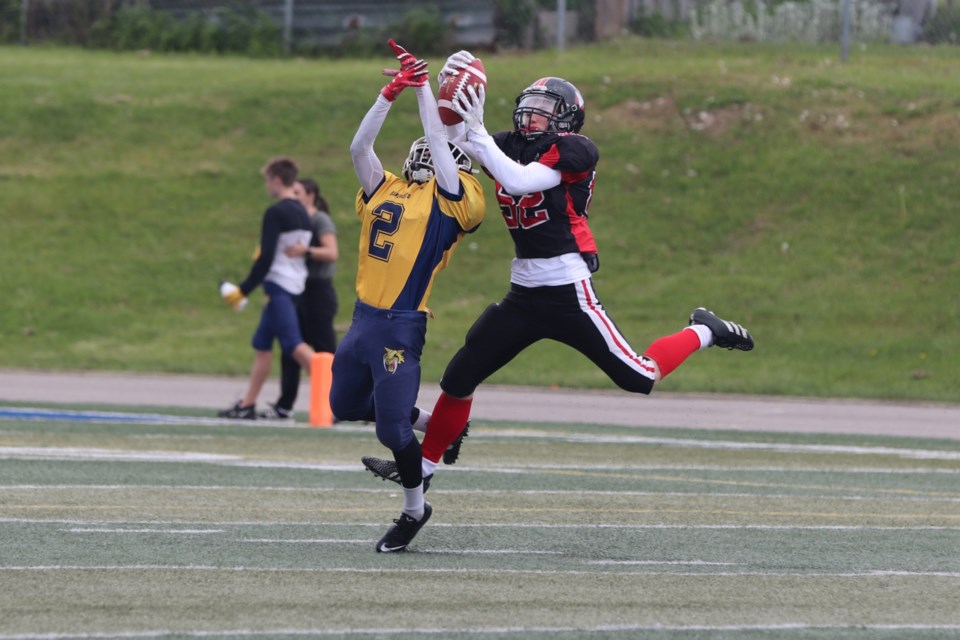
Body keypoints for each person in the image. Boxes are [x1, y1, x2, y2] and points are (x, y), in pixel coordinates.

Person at [361, 51, 755, 493]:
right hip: (524, 292)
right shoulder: (509, 142)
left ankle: (704, 330)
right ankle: (424, 470)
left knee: (639, 377)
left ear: (567, 118)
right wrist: (434, 89)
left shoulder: (576, 150)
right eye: (530, 103)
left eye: (545, 108)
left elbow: (519, 181)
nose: (532, 113)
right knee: (459, 376)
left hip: (567, 289)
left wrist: (473, 131)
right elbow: (447, 137)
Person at [328, 40, 486, 552]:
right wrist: (389, 93)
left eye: (434, 147)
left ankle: (415, 509)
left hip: (400, 323)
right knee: (344, 404)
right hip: (362, 319)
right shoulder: (389, 187)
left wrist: (424, 91)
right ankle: (438, 425)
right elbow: (358, 149)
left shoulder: (458, 200)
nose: (423, 148)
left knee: (389, 430)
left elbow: (442, 148)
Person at [218, 157, 317, 420]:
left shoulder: (276, 212)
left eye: (267, 181)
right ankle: (247, 403)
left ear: (276, 179)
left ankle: (335, 396)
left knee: (295, 345)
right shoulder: (302, 212)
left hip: (280, 285)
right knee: (262, 344)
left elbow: (266, 257)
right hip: (295, 284)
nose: (267, 186)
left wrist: (244, 290)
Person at [258, 178, 339, 421]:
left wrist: (307, 251)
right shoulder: (296, 220)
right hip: (298, 290)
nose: (293, 196)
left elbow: (332, 252)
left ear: (311, 195)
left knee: (326, 350)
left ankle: (343, 402)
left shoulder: (319, 219)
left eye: (298, 192)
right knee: (290, 348)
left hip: (319, 292)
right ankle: (284, 406)